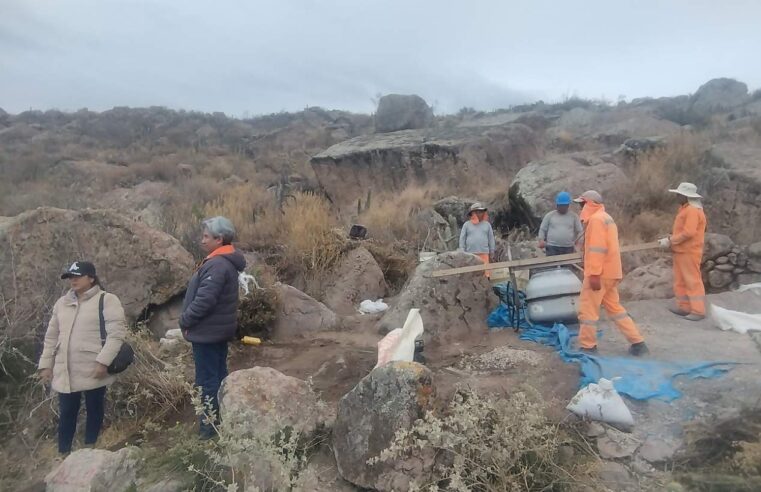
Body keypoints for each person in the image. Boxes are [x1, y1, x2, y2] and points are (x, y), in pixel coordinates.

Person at [37, 261, 127, 455]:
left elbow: (117, 334)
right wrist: (46, 364)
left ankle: (89, 449)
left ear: (91, 278)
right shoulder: (62, 303)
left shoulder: (107, 300)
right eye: (70, 277)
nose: (73, 280)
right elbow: (51, 336)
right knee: (67, 413)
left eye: (78, 276)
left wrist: (103, 362)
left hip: (93, 367)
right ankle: (63, 454)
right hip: (65, 370)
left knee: (95, 408)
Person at [180, 216, 246, 439]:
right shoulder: (223, 261)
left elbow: (205, 300)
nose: (202, 240)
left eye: (207, 237)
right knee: (218, 377)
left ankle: (209, 430)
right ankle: (222, 420)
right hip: (216, 331)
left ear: (220, 239)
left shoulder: (217, 264)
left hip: (207, 333)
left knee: (207, 381)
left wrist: (185, 320)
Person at [574, 191, 648, 356]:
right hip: (610, 273)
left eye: (581, 204)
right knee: (615, 309)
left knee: (588, 310)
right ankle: (638, 343)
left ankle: (588, 347)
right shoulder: (606, 218)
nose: (580, 207)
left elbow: (596, 250)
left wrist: (593, 274)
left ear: (589, 204)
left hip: (599, 274)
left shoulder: (596, 221)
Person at [658, 182, 707, 321]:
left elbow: (689, 232)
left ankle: (698, 311)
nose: (677, 197)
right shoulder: (686, 208)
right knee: (680, 281)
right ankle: (685, 307)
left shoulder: (692, 210)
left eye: (679, 194)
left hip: (689, 251)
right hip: (681, 251)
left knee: (692, 281)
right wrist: (671, 240)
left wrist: (670, 240)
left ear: (686, 196)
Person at [538, 191, 584, 256]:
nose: (562, 207)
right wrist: (541, 240)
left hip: (568, 248)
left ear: (568, 205)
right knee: (552, 265)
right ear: (557, 205)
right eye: (561, 205)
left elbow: (580, 231)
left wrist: (578, 244)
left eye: (564, 205)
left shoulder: (574, 216)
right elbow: (542, 229)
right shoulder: (550, 215)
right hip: (552, 247)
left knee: (568, 266)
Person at [459, 202, 496, 277]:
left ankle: (486, 287)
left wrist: (492, 251)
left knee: (485, 274)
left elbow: (491, 239)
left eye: (481, 212)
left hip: (484, 253)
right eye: (477, 212)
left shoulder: (487, 225)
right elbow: (462, 239)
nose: (480, 214)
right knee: (472, 274)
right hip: (470, 254)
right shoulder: (467, 225)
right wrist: (462, 251)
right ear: (473, 213)